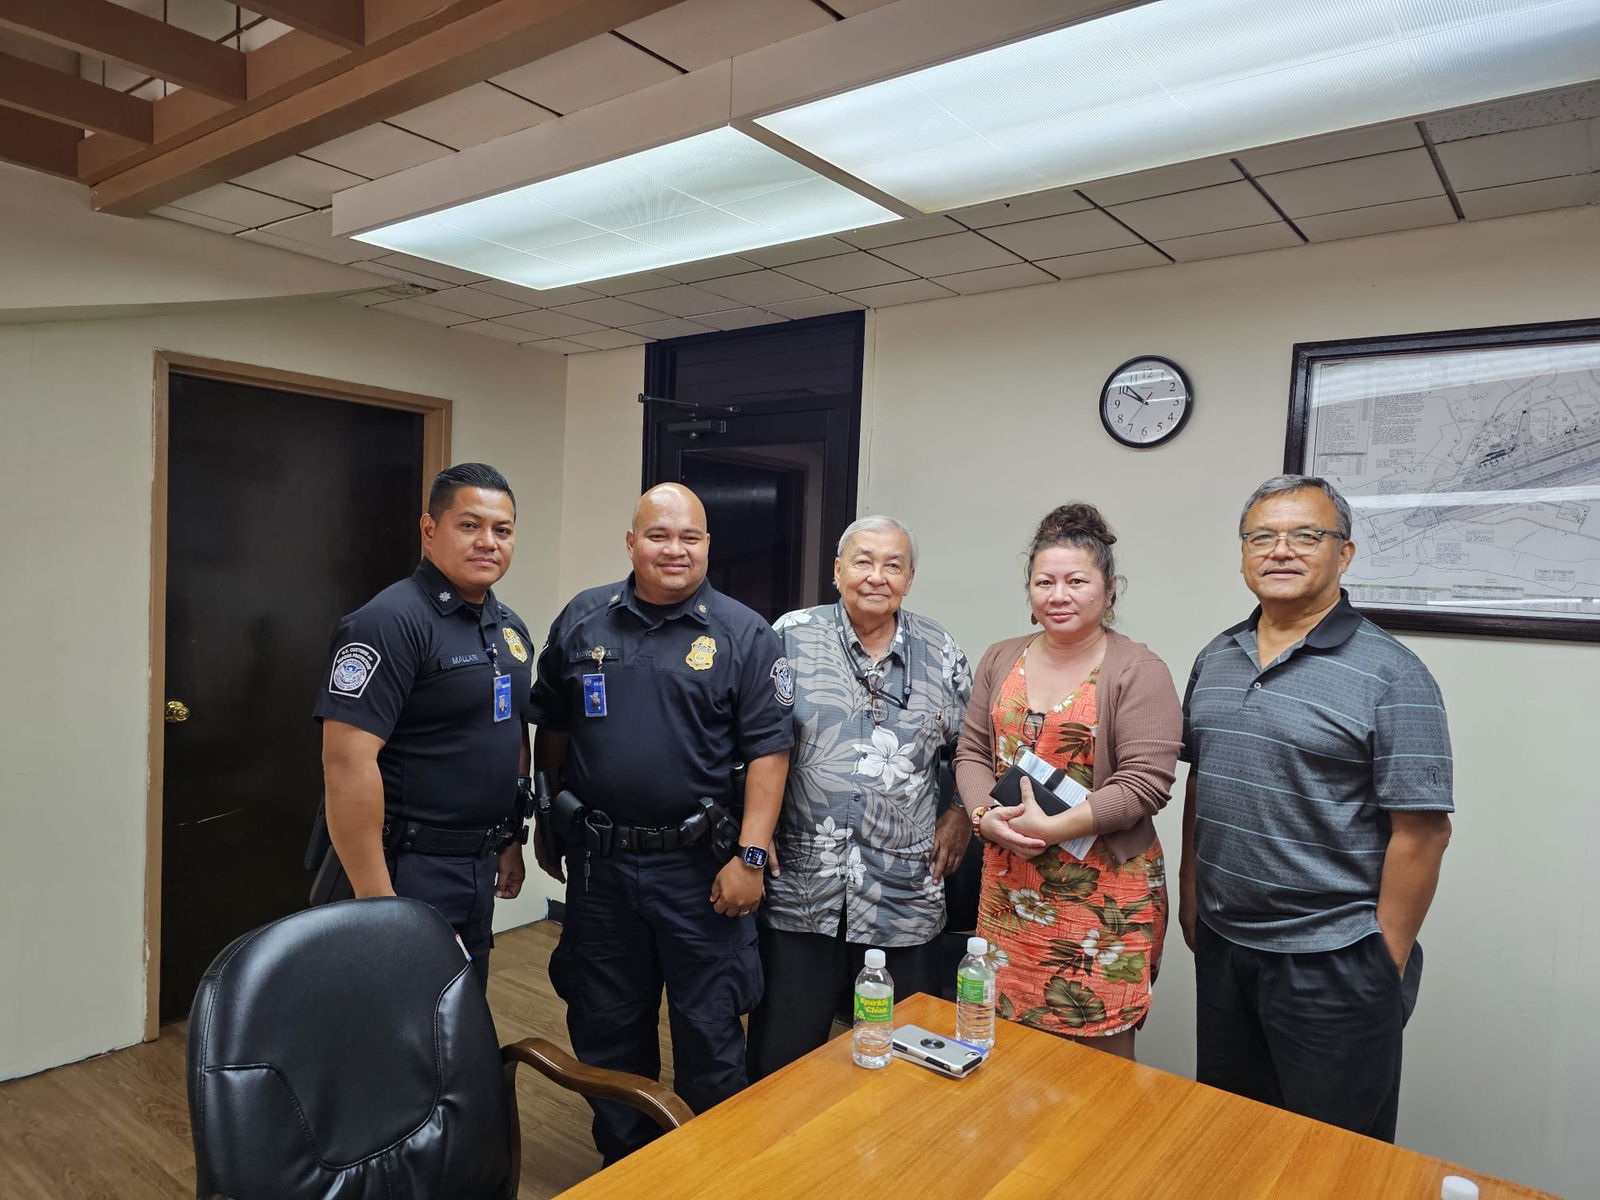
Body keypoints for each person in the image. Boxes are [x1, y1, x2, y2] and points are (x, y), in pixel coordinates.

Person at [1178, 474, 1452, 1143]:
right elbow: (1204, 781)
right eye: (1262, 537)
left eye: (1306, 535)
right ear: (1243, 555)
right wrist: (1191, 894)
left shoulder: (1394, 673)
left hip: (1334, 958)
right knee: (1230, 1139)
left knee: (1329, 1160)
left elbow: (1423, 832)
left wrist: (1382, 962)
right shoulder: (1216, 657)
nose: (1281, 551)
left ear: (1344, 554)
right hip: (1225, 946)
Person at [529, 483, 793, 1164]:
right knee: (606, 1025)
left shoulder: (744, 634)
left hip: (701, 870)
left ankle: (709, 1172)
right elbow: (553, 725)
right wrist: (547, 819)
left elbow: (770, 753)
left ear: (707, 545)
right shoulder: (584, 619)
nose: (675, 549)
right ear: (631, 542)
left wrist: (751, 857)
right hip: (602, 866)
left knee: (710, 1032)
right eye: (658, 535)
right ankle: (628, 1166)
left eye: (689, 537)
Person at [746, 516, 972, 1080]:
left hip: (904, 890)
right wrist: (755, 829)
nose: (877, 576)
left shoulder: (940, 650)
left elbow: (977, 747)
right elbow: (751, 739)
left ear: (910, 578)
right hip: (802, 886)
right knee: (783, 1062)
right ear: (837, 570)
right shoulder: (789, 636)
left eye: (893, 565)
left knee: (904, 1060)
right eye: (863, 561)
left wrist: (961, 813)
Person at [953, 503, 1181, 1060]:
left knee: (1097, 1057)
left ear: (1109, 590)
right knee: (1004, 1041)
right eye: (1044, 582)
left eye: (1077, 581)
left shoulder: (1139, 670)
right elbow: (972, 753)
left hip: (1105, 894)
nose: (1059, 595)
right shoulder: (1000, 658)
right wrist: (984, 818)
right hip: (1011, 884)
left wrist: (1054, 827)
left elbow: (1144, 784)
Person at [315, 462, 531, 989]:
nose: (488, 542)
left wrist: (509, 840)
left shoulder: (507, 627)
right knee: (391, 1021)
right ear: (430, 530)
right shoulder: (389, 622)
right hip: (403, 867)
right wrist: (377, 901)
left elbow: (509, 733)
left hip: (475, 863)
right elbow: (346, 762)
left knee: (455, 1016)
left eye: (502, 530)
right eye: (469, 525)